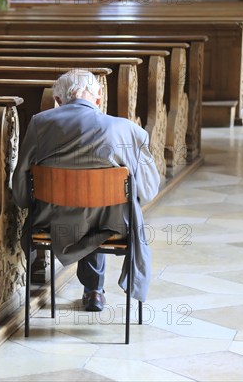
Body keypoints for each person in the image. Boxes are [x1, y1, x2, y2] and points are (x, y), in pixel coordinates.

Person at [12, 69, 160, 312]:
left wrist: (27, 203)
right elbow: (149, 189)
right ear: (99, 97)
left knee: (83, 209)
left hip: (53, 221)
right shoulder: (127, 129)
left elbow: (20, 185)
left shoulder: (40, 123)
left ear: (58, 101)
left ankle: (93, 289)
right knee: (100, 209)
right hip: (111, 224)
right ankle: (94, 291)